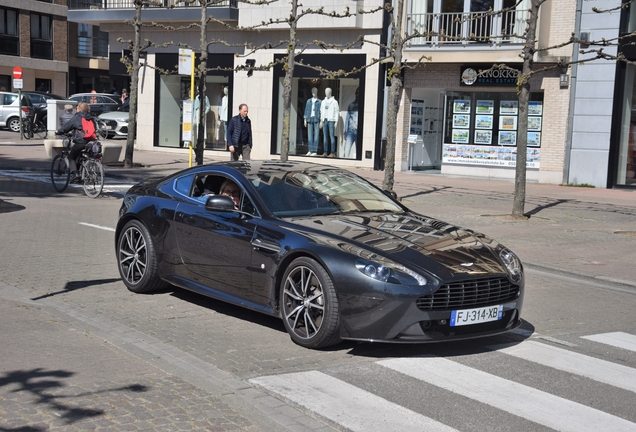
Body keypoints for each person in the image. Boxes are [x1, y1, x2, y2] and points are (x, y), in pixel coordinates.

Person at [56, 102, 97, 179]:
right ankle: (81, 172)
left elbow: (67, 126)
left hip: (81, 141)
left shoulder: (77, 116)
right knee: (79, 155)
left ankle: (75, 174)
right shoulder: (91, 117)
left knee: (71, 157)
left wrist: (59, 131)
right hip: (91, 141)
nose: (76, 109)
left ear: (79, 108)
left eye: (77, 107)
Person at [320, 87, 339, 158]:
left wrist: (336, 121)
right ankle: (325, 152)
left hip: (331, 120)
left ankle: (332, 152)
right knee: (325, 136)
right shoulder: (323, 102)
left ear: (330, 92)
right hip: (325, 120)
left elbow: (337, 111)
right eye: (325, 92)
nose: (326, 93)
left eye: (328, 92)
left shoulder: (334, 102)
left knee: (331, 136)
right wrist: (321, 120)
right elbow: (321, 111)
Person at [304, 87, 321, 156]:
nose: (314, 92)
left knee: (316, 135)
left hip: (316, 119)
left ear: (317, 92)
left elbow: (321, 111)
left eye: (315, 91)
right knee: (309, 135)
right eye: (313, 91)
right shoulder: (309, 101)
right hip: (310, 119)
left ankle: (315, 150)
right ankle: (310, 150)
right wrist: (305, 119)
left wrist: (321, 120)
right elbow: (306, 110)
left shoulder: (320, 101)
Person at [343, 87, 359, 159]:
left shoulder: (364, 106)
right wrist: (345, 132)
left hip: (360, 132)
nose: (358, 95)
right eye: (357, 93)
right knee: (346, 151)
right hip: (351, 131)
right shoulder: (351, 105)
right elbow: (347, 119)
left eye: (359, 93)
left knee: (359, 153)